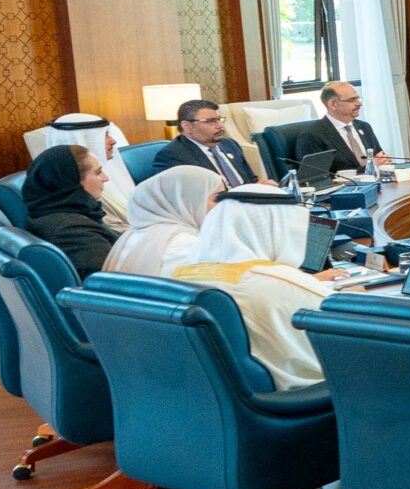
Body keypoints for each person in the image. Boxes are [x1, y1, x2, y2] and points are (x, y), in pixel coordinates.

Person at [174, 186, 339, 389]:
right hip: (303, 394)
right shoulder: (277, 283)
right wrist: (350, 297)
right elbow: (348, 326)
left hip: (220, 395)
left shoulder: (180, 277)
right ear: (276, 229)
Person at [104, 164, 223, 278]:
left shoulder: (133, 235)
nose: (223, 205)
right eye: (217, 198)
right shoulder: (188, 246)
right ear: (186, 201)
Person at [20, 145, 119, 276]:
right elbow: (113, 278)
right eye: (97, 172)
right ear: (71, 180)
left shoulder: (59, 211)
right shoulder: (71, 230)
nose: (105, 178)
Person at [39, 113, 135, 220]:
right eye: (105, 135)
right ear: (81, 140)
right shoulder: (79, 195)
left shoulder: (112, 169)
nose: (113, 141)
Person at [284, 82, 388, 174]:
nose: (359, 103)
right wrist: (369, 168)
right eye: (352, 100)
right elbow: (318, 177)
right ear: (333, 104)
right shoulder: (312, 136)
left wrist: (384, 161)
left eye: (358, 98)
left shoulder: (364, 126)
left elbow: (379, 157)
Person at [152, 98, 255, 187]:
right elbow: (184, 197)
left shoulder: (229, 144)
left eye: (219, 119)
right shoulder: (172, 156)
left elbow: (251, 179)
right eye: (210, 121)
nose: (220, 125)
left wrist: (258, 185)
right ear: (187, 126)